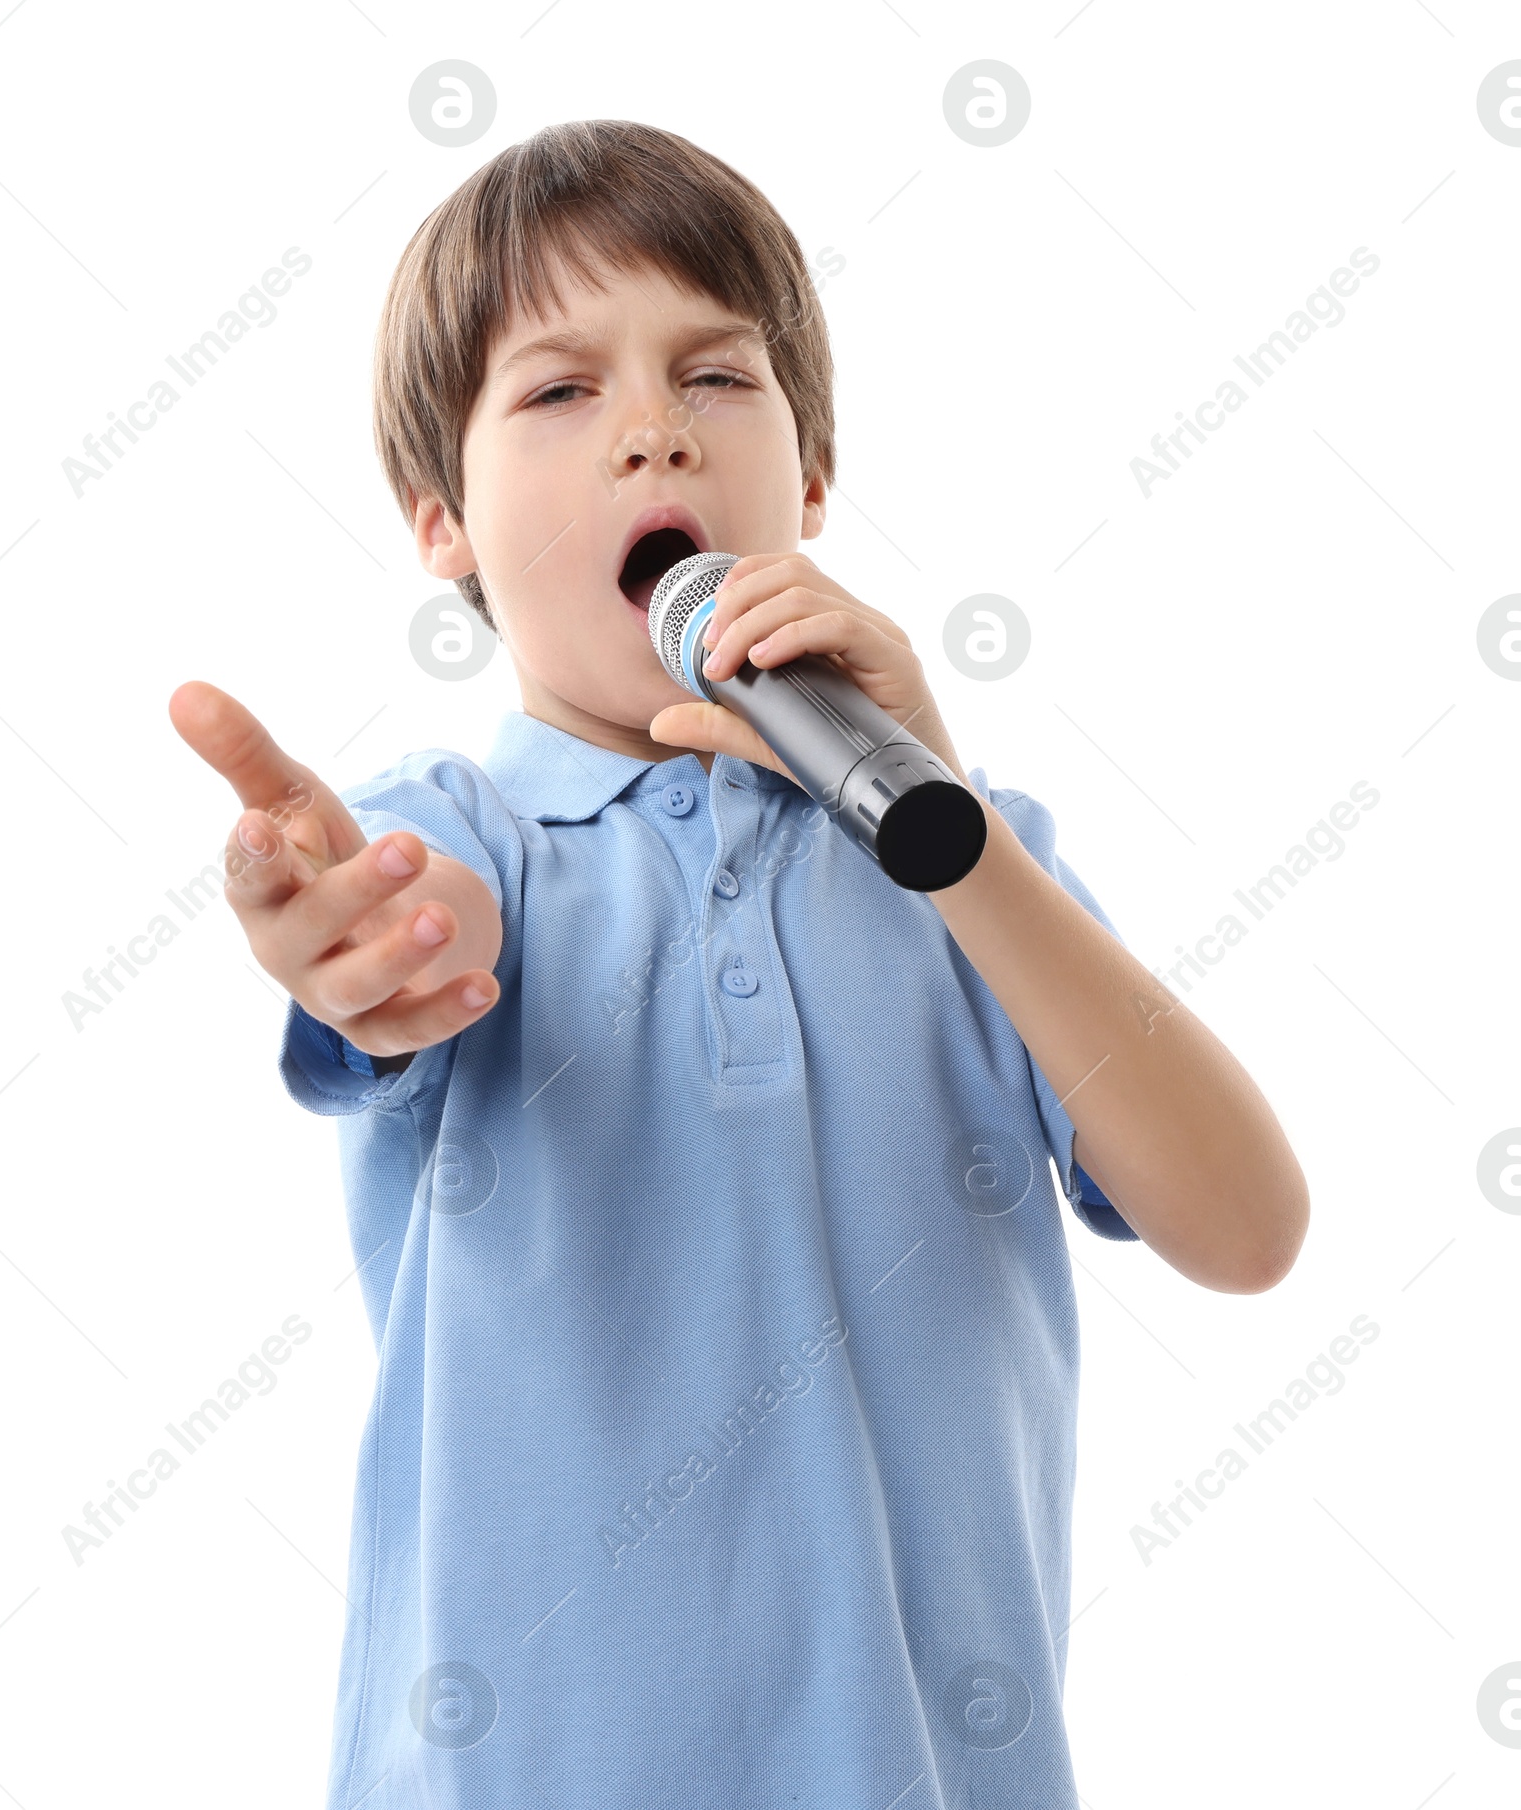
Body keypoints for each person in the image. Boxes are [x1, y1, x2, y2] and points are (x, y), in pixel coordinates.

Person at [170, 118, 1308, 1809]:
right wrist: (370, 933)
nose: (651, 431)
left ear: (814, 480)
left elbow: (1247, 1226)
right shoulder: (461, 831)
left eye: (717, 375)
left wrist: (958, 834)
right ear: (442, 522)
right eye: (559, 393)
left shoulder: (977, 870)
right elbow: (426, 927)